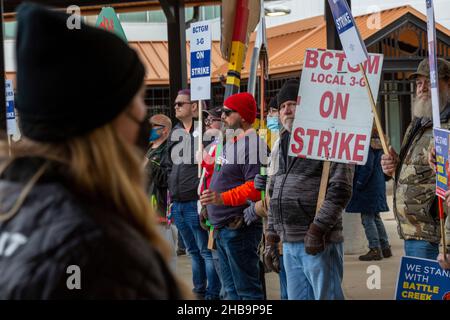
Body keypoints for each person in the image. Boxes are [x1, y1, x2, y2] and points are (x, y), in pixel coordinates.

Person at [0, 3, 186, 299]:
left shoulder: (12, 203)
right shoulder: (105, 253)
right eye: (136, 99)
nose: (143, 112)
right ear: (106, 122)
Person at [264, 80, 354, 300]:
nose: (286, 110)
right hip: (289, 241)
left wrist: (318, 229)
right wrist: (272, 235)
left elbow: (340, 189)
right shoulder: (282, 143)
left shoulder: (332, 138)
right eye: (283, 106)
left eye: (293, 103)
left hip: (318, 240)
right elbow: (276, 191)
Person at [200, 92, 268, 300]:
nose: (222, 116)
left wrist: (221, 199)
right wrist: (208, 206)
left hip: (239, 228)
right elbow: (219, 177)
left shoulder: (254, 144)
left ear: (244, 116)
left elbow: (255, 188)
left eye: (228, 112)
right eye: (222, 112)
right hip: (222, 227)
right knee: (231, 293)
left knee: (247, 292)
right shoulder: (230, 142)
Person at [381, 58, 450, 259]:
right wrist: (392, 167)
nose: (423, 88)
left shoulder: (446, 127)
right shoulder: (418, 123)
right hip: (413, 231)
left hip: (435, 237)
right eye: (419, 83)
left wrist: (447, 246)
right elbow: (415, 173)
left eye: (430, 82)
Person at [164, 89, 221, 300]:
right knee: (192, 252)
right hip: (178, 203)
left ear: (194, 107)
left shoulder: (205, 133)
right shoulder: (175, 132)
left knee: (205, 251)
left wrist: (200, 191)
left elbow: (212, 166)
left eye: (181, 103)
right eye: (176, 103)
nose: (176, 106)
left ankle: (210, 294)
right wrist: (172, 186)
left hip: (195, 202)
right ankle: (198, 291)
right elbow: (169, 165)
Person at [346, 128, 392, 261]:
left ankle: (374, 248)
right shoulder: (381, 145)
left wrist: (359, 184)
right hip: (377, 185)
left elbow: (367, 167)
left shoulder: (367, 146)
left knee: (367, 219)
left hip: (367, 188)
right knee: (376, 217)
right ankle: (385, 247)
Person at [144, 114, 178, 270]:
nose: (148, 128)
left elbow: (166, 179)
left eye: (153, 125)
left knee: (166, 258)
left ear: (164, 130)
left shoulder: (169, 150)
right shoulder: (149, 149)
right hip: (146, 210)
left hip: (162, 211)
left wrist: (148, 164)